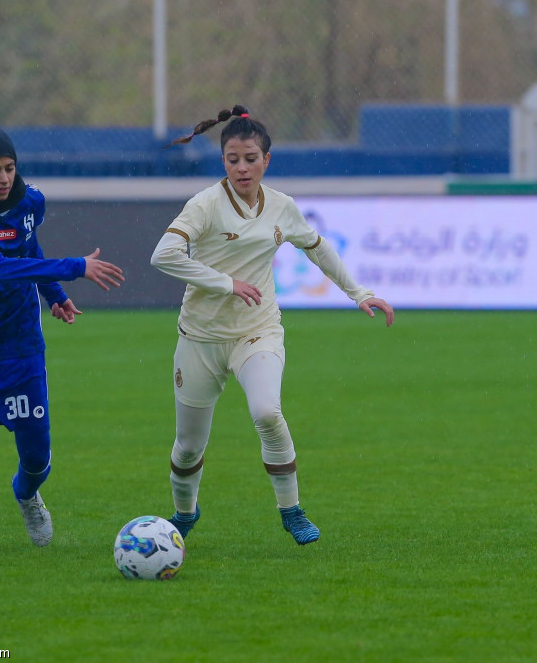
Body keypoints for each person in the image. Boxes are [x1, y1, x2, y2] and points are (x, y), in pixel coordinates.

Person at [151, 105, 394, 546]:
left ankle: (292, 511)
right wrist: (227, 284)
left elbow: (317, 248)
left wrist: (360, 293)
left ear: (267, 160)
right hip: (200, 339)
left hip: (257, 331)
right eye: (232, 159)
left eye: (250, 158)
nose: (241, 168)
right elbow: (163, 255)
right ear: (223, 161)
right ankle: (184, 515)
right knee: (188, 446)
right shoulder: (205, 204)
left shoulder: (282, 206)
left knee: (267, 412)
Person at [0, 126, 125, 557]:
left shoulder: (31, 202)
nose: (3, 178)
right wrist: (73, 267)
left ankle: (27, 495)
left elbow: (29, 247)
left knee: (36, 457)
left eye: (9, 168)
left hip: (18, 344)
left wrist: (55, 294)